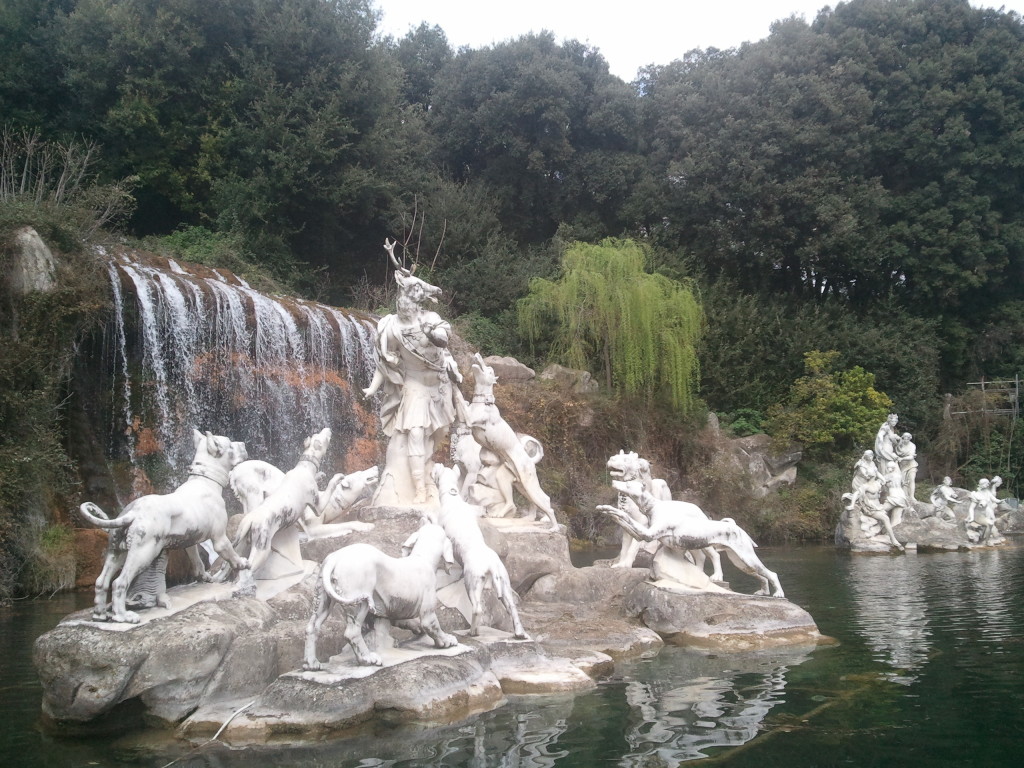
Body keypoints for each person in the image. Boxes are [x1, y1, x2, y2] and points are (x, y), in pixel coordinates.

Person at [365, 241, 464, 504]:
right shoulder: (391, 327)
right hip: (414, 385)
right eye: (402, 299)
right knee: (416, 433)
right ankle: (419, 488)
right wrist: (373, 388)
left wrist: (434, 334)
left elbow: (444, 339)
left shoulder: (430, 319)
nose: (404, 304)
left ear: (417, 300)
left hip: (439, 385)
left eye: (410, 298)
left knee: (438, 434)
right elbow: (385, 363)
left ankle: (428, 478)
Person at [896, 432, 918, 502]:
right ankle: (904, 495)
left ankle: (912, 496)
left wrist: (902, 458)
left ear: (909, 438)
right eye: (904, 438)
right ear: (902, 438)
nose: (906, 440)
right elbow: (896, 452)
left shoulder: (912, 445)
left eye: (907, 439)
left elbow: (911, 457)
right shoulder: (899, 445)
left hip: (911, 465)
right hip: (902, 466)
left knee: (911, 479)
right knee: (903, 481)